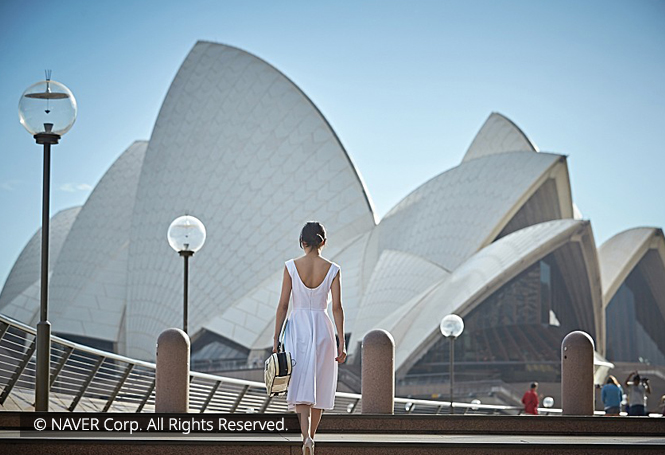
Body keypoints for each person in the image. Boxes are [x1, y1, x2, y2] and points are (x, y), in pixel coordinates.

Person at [272, 221, 346, 455]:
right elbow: (337, 308)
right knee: (320, 382)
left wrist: (275, 338)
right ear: (323, 242)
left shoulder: (291, 267)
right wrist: (341, 341)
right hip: (323, 326)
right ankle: (311, 436)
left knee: (302, 380)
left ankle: (305, 437)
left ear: (302, 242)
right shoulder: (333, 269)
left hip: (298, 327)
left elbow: (283, 305)